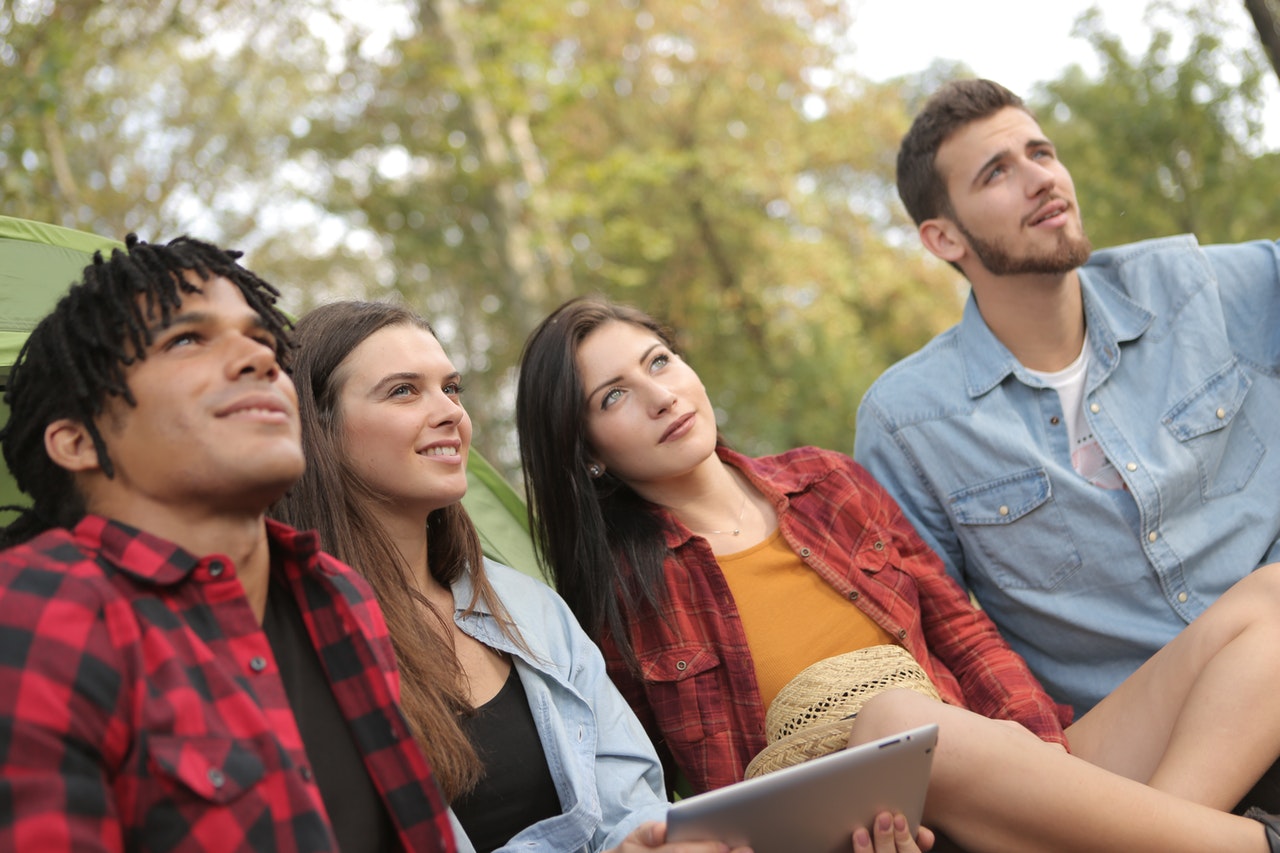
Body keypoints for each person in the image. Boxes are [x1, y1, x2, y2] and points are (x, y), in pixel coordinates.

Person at [515, 295, 1280, 853]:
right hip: (873, 831)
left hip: (992, 763)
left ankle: (1164, 838)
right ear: (586, 449)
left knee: (1269, 598)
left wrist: (1042, 757)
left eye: (659, 361)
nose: (660, 396)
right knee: (892, 720)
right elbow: (640, 799)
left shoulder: (826, 481)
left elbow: (964, 633)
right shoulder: (615, 596)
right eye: (614, 396)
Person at [0, 236, 455, 852]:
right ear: (77, 441)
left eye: (263, 340)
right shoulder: (34, 609)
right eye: (187, 339)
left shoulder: (339, 593)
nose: (261, 360)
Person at [852, 78, 1280, 717]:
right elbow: (926, 642)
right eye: (997, 172)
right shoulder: (910, 424)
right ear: (944, 239)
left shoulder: (1198, 287)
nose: (1040, 178)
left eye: (1042, 153)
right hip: (1137, 738)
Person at [270, 300, 763, 853]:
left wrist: (641, 843)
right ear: (318, 429)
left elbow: (629, 799)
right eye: (404, 391)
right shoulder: (293, 651)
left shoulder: (530, 610)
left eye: (450, 389)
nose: (450, 413)